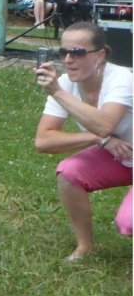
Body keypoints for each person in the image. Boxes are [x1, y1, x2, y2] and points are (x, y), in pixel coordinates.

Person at [34, 22, 133, 261]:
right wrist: (99, 140)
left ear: (100, 55)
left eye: (77, 52)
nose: (68, 59)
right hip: (123, 156)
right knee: (69, 173)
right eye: (63, 52)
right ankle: (85, 246)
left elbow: (105, 124)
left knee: (128, 223)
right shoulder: (68, 84)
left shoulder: (122, 78)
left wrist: (57, 92)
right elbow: (43, 140)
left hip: (125, 153)